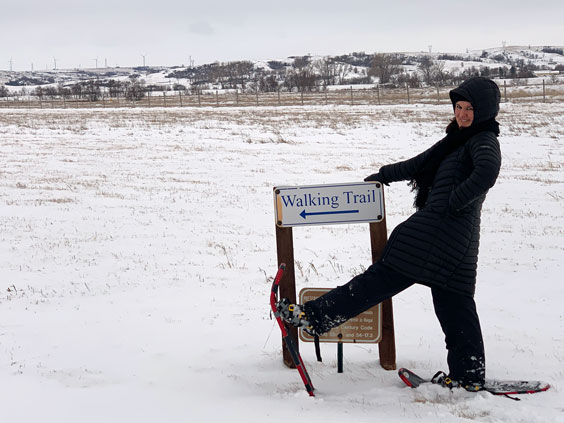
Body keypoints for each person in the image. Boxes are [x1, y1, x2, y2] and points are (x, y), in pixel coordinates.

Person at [277, 76, 502, 391]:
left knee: (378, 282)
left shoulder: (483, 141)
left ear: (487, 111)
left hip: (438, 234)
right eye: (459, 107)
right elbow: (419, 163)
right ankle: (468, 374)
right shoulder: (458, 139)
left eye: (470, 109)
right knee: (456, 306)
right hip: (454, 241)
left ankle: (313, 317)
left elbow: (487, 173)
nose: (463, 114)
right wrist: (384, 176)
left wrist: (453, 202)